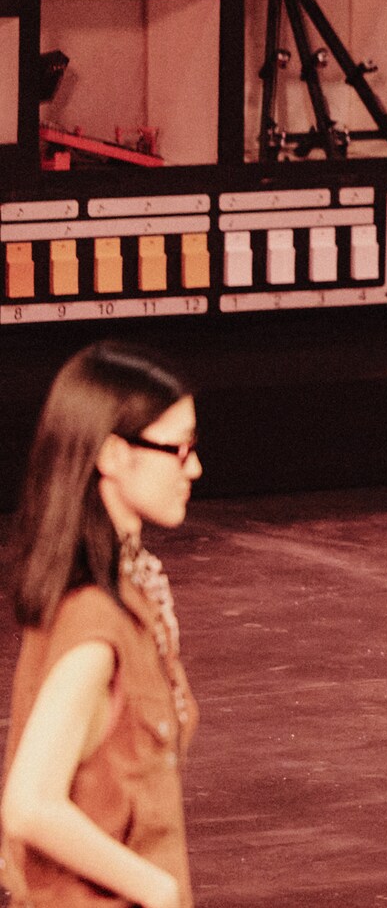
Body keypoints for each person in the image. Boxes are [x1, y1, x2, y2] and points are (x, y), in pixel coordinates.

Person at [2, 344, 201, 908]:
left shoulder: (123, 589)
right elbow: (29, 804)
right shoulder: (94, 622)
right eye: (179, 449)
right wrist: (157, 889)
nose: (193, 467)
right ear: (113, 454)